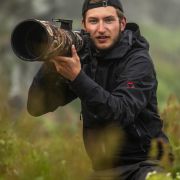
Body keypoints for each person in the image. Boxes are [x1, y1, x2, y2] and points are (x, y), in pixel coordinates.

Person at [27, 0, 173, 179]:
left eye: (109, 20)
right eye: (94, 21)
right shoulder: (84, 59)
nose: (101, 28)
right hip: (103, 170)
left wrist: (77, 78)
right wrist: (53, 58)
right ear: (84, 25)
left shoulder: (138, 61)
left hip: (146, 164)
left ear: (122, 23)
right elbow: (36, 107)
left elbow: (121, 112)